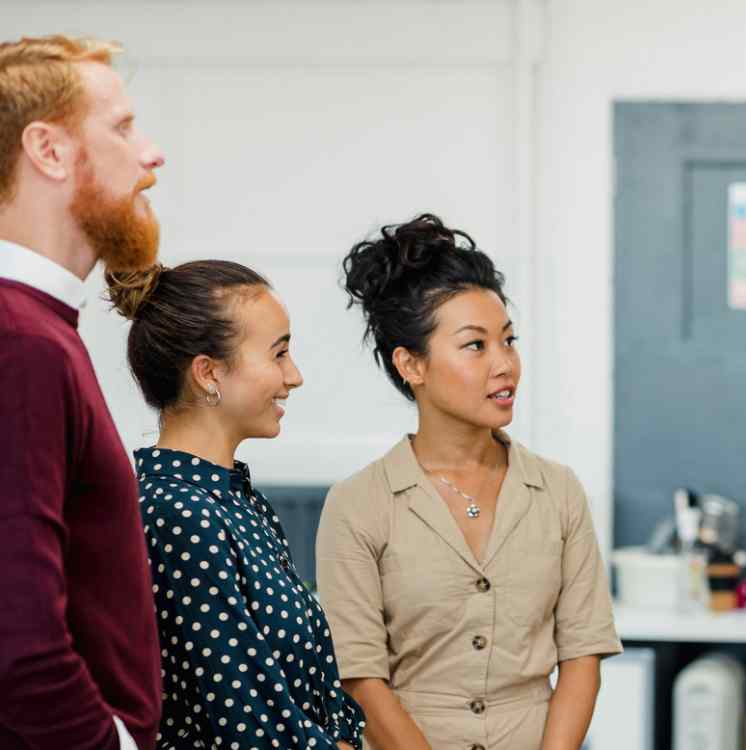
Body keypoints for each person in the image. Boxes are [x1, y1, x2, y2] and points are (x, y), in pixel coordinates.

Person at [315, 214, 623, 750]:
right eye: (476, 346)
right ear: (411, 365)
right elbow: (360, 676)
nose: (505, 364)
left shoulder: (558, 491)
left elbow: (581, 655)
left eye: (509, 340)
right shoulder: (358, 504)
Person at [106, 260, 366, 749]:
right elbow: (246, 722)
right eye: (280, 353)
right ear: (208, 373)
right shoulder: (180, 514)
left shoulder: (234, 502)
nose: (295, 376)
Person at [0, 35, 165, 750]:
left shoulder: (42, 330)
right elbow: (18, 635)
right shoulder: (20, 342)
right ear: (51, 151)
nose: (151, 155)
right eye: (123, 128)